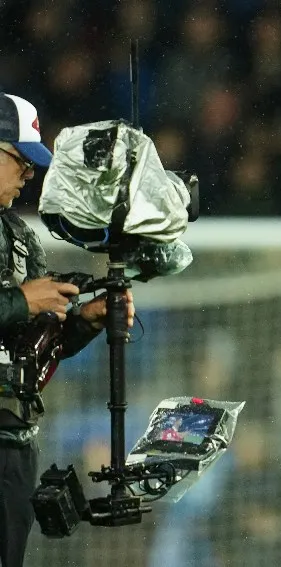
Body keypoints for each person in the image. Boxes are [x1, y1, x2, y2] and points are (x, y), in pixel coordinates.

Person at [0, 92, 135, 567]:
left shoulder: (18, 237)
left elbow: (35, 347)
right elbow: (20, 307)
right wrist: (21, 299)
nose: (28, 175)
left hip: (13, 440)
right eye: (21, 161)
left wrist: (84, 321)